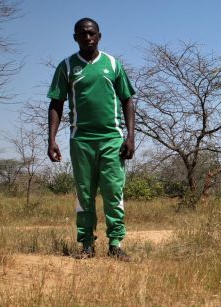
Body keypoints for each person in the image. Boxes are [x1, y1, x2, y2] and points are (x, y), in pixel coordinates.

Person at [47, 17, 135, 261]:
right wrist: (51, 140)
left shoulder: (113, 65)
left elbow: (128, 99)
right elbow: (56, 103)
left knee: (113, 191)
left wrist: (130, 136)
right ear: (75, 37)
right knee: (84, 194)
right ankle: (86, 244)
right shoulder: (66, 67)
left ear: (99, 36)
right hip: (81, 140)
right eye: (82, 34)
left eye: (91, 33)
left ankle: (115, 244)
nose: (87, 38)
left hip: (112, 139)